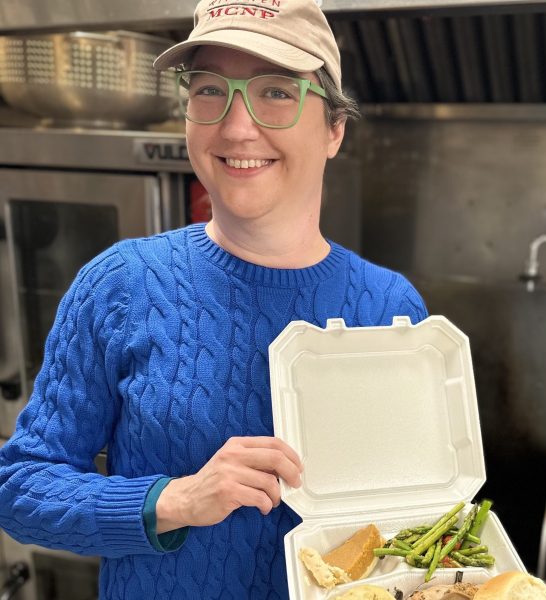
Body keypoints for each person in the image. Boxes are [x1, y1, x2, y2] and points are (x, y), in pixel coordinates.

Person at [0, 0, 427, 598]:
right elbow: (19, 488)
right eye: (209, 90)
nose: (235, 126)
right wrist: (173, 499)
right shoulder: (121, 286)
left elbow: (420, 515)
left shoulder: (390, 309)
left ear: (335, 128)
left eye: (276, 91)